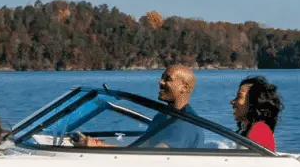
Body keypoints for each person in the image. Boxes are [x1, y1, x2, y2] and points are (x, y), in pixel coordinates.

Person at [71, 64, 205, 149]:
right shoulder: (163, 116)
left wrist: (97, 145)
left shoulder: (184, 124)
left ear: (184, 87)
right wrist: (95, 143)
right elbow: (139, 148)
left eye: (167, 79)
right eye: (162, 78)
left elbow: (152, 158)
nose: (160, 82)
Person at [231, 75, 282, 151]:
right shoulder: (247, 130)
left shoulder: (260, 131)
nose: (232, 102)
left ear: (253, 103)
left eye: (239, 97)